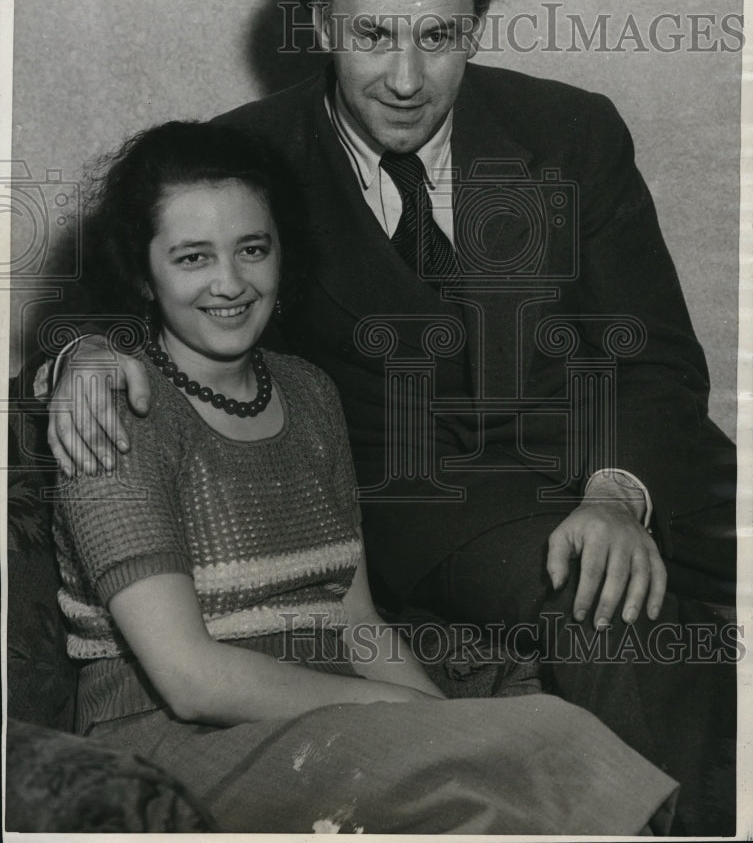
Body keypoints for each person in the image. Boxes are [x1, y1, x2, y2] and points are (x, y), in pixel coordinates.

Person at [43, 0, 735, 833]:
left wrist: (617, 490)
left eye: (437, 37)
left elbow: (655, 358)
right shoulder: (252, 151)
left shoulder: (572, 132)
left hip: (622, 461)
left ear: (476, 26)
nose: (405, 77)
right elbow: (120, 279)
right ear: (321, 24)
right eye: (372, 36)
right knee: (621, 620)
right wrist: (85, 352)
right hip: (441, 504)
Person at [51, 118, 680, 834]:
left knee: (551, 746)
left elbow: (357, 624)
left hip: (323, 713)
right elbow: (189, 680)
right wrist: (413, 720)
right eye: (192, 257)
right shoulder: (110, 410)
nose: (230, 283)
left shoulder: (309, 392)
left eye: (252, 249)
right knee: (511, 770)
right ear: (142, 271)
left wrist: (448, 723)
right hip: (172, 739)